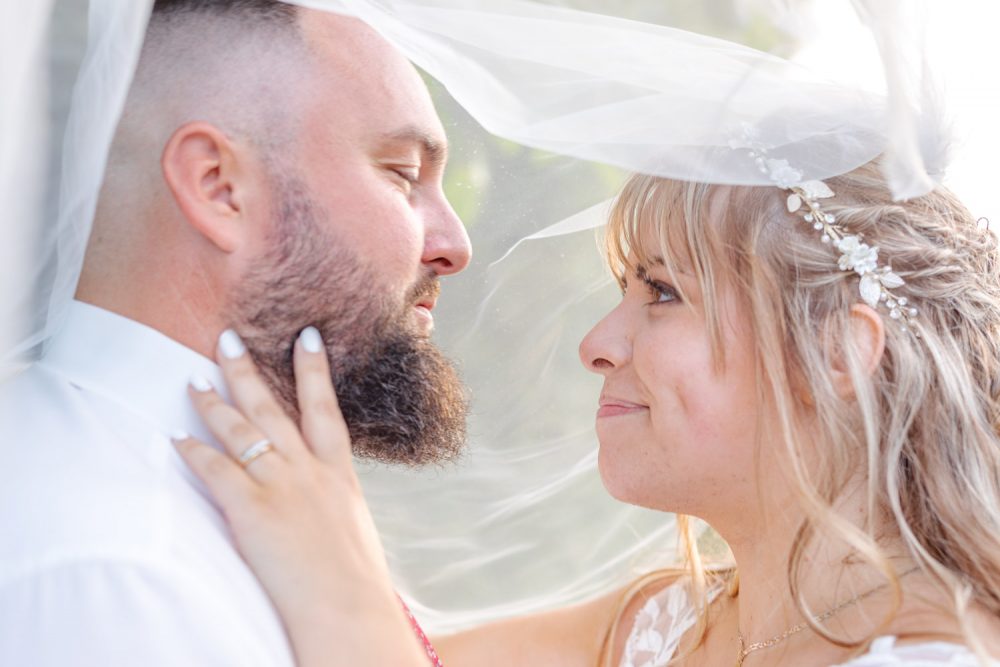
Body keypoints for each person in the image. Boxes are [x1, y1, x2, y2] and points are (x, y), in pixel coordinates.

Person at [176, 155, 1000, 666]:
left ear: (837, 352)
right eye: (622, 292)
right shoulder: (659, 626)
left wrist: (345, 572)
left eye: (665, 293)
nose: (598, 344)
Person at [0, 2, 471, 664]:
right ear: (219, 187)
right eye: (402, 174)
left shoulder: (270, 523)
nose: (456, 244)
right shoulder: (124, 578)